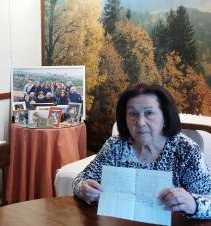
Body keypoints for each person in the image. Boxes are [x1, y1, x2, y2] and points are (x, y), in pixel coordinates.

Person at [73, 82, 211, 219]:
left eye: (149, 113)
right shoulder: (115, 146)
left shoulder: (186, 150)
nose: (140, 122)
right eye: (133, 114)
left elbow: (209, 202)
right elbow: (80, 180)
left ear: (165, 116)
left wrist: (193, 204)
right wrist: (84, 188)